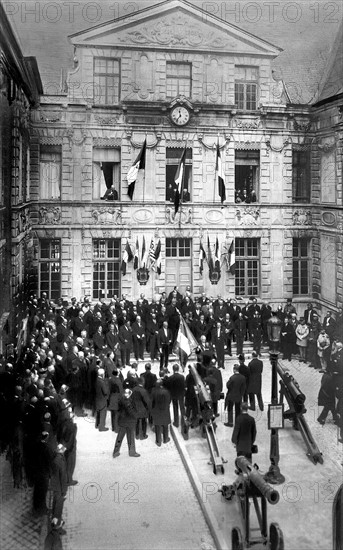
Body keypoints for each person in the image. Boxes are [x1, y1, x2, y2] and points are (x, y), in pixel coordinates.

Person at [112, 387, 140, 458]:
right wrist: (137, 416)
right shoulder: (128, 402)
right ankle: (132, 452)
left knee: (119, 437)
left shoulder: (121, 399)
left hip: (122, 421)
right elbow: (131, 411)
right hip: (129, 422)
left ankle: (116, 451)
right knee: (130, 437)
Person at [50, 444, 68, 530]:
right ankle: (57, 525)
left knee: (55, 504)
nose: (64, 451)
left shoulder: (55, 459)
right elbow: (63, 477)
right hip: (60, 487)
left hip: (54, 485)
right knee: (59, 506)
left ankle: (54, 520)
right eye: (63, 450)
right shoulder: (61, 461)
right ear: (60, 451)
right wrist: (64, 490)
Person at [164, 364, 186, 428]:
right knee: (182, 407)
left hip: (174, 394)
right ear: (178, 369)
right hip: (181, 394)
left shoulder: (171, 377)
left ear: (173, 369)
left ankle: (176, 422)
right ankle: (183, 421)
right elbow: (184, 385)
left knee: (175, 408)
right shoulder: (182, 377)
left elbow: (169, 386)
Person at [151, 379, 171, 447]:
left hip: (156, 410)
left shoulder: (153, 392)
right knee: (165, 425)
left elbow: (152, 401)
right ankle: (165, 439)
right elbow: (169, 401)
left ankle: (158, 441)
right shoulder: (166, 392)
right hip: (165, 410)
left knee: (157, 426)